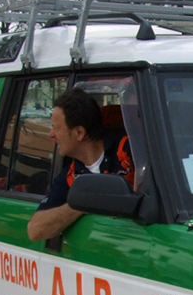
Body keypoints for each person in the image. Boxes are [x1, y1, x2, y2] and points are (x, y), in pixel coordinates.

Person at [27, 88, 134, 241]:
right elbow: (35, 230)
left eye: (56, 128)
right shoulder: (71, 174)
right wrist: (82, 203)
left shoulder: (130, 151)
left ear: (79, 133)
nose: (51, 134)